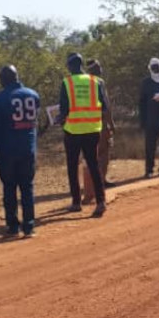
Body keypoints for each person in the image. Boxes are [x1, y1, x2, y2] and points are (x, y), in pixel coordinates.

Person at [0, 65, 40, 238]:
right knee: (27, 187)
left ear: (4, 79)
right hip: (28, 148)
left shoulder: (0, 98)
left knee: (9, 187)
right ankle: (29, 226)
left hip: (7, 150)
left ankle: (13, 226)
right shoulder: (33, 95)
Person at [59, 52, 108, 217]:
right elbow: (104, 107)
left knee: (72, 166)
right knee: (93, 165)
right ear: (81, 65)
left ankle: (76, 202)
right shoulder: (96, 81)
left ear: (69, 66)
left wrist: (59, 119)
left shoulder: (66, 83)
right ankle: (101, 201)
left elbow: (64, 110)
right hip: (93, 130)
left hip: (72, 131)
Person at [82, 58, 115, 203]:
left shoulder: (82, 83)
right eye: (99, 67)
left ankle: (95, 183)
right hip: (99, 123)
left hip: (84, 124)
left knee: (90, 155)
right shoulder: (99, 82)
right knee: (102, 153)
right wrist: (111, 124)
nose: (101, 69)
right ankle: (99, 183)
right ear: (95, 69)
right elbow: (105, 106)